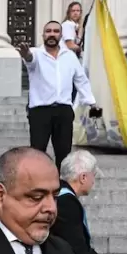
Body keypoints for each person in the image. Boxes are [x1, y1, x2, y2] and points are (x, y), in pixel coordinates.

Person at [18, 21, 101, 170]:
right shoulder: (36, 53)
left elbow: (81, 80)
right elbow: (30, 61)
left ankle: (60, 187)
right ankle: (39, 186)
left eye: (56, 31)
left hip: (63, 110)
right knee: (38, 152)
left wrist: (91, 102)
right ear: (43, 35)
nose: (52, 34)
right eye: (48, 31)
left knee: (64, 153)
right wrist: (26, 55)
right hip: (40, 111)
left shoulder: (70, 56)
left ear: (61, 35)